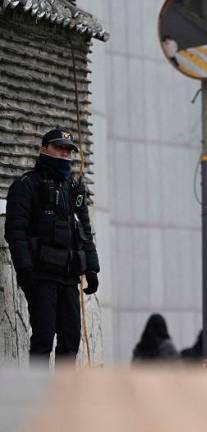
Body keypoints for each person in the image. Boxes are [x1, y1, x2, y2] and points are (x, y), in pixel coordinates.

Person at [4, 128, 100, 364]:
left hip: (68, 277)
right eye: (59, 148)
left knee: (70, 341)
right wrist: (25, 271)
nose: (65, 155)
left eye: (68, 151)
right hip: (41, 275)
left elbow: (85, 231)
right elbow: (15, 232)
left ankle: (63, 398)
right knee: (43, 339)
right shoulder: (26, 186)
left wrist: (92, 268)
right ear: (44, 149)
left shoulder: (74, 189)